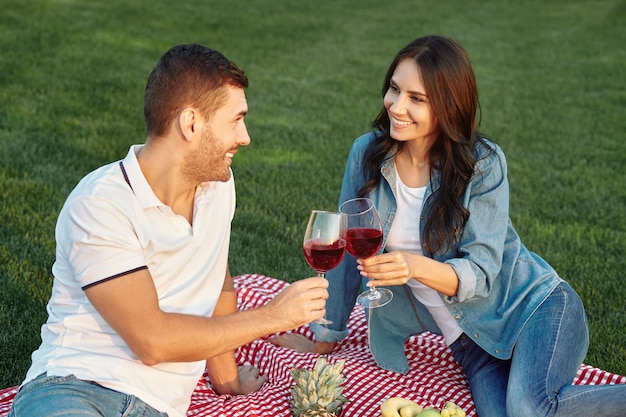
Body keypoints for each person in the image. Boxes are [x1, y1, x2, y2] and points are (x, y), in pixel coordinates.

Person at [271, 35, 626, 416]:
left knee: (531, 410)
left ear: (447, 106)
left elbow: (483, 273)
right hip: (473, 346)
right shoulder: (366, 154)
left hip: (533, 311)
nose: (397, 106)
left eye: (416, 98)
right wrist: (327, 336)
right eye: (394, 89)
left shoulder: (483, 164)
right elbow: (344, 247)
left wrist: (412, 266)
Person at [8, 44, 329, 417]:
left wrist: (226, 377)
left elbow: (215, 275)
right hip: (75, 388)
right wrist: (273, 316)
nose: (245, 137)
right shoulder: (101, 204)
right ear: (190, 123)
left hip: (158, 407)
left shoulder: (219, 186)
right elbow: (152, 341)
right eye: (235, 120)